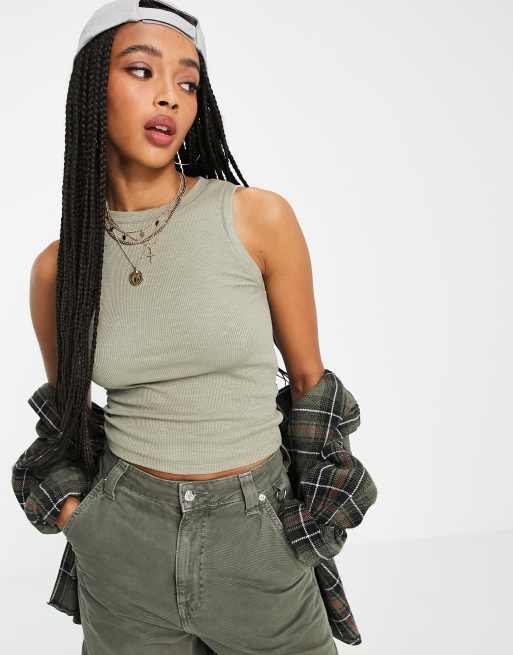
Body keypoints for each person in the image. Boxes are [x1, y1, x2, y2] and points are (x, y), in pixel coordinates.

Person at [29, 1, 335, 653]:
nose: (169, 95)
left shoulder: (256, 218)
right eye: (142, 71)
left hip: (258, 539)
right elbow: (68, 421)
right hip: (124, 547)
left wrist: (306, 524)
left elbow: (310, 385)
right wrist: (84, 522)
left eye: (188, 82)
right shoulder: (61, 269)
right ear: (91, 88)